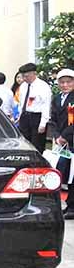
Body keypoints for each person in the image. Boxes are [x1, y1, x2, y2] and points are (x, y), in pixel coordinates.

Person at [47, 69, 74, 218]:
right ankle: (69, 204)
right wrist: (57, 136)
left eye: (68, 82)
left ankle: (72, 206)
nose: (65, 85)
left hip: (71, 140)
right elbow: (53, 120)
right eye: (62, 82)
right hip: (62, 143)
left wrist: (65, 135)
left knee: (73, 174)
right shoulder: (57, 98)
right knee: (63, 172)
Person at [16, 63, 52, 152]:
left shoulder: (43, 86)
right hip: (25, 116)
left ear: (34, 73)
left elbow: (46, 105)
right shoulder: (23, 86)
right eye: (23, 76)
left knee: (37, 144)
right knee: (24, 143)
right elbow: (21, 103)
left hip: (37, 117)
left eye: (27, 76)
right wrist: (20, 116)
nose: (24, 79)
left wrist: (43, 123)